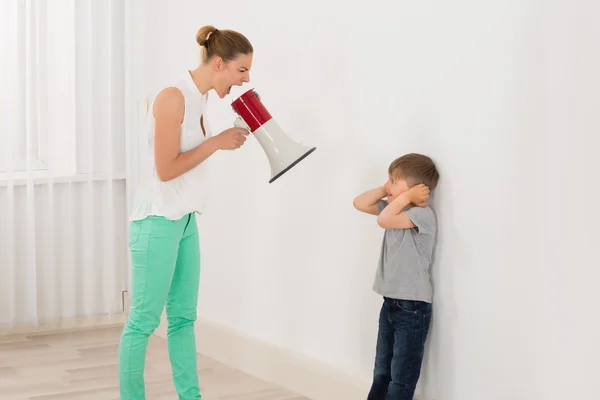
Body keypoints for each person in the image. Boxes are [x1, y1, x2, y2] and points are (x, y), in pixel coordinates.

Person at [118, 25, 254, 399]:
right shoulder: (173, 97)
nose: (246, 79)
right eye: (242, 70)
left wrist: (220, 141)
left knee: (183, 319)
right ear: (220, 63)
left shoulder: (201, 99)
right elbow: (165, 169)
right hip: (156, 220)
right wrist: (216, 143)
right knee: (143, 322)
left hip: (184, 219)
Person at [353, 153, 440, 400]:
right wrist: (386, 189)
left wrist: (405, 199)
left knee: (401, 377)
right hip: (391, 302)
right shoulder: (396, 209)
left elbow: (384, 219)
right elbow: (359, 203)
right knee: (382, 371)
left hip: (412, 307)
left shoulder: (421, 215)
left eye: (394, 181)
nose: (388, 185)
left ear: (415, 190)